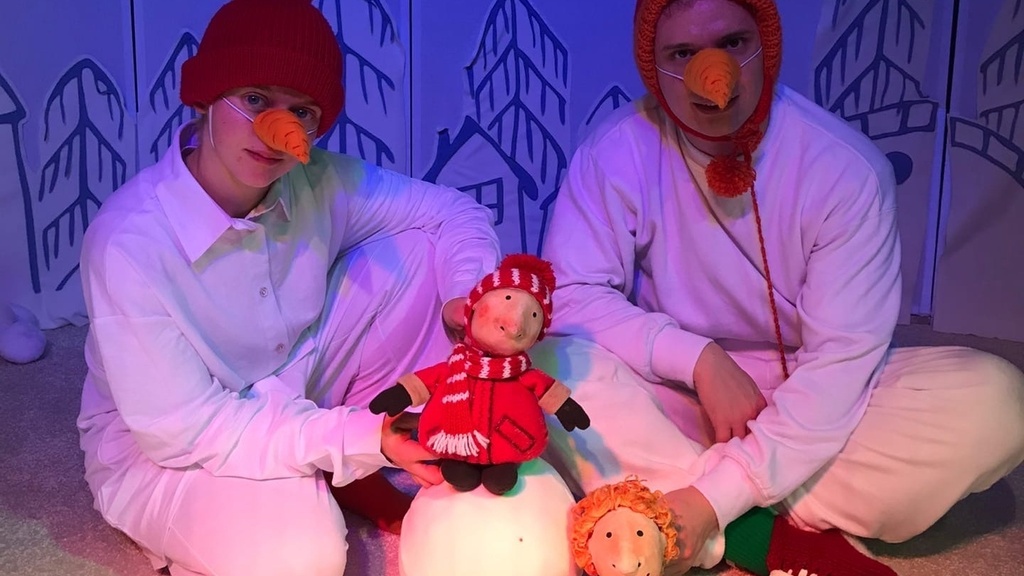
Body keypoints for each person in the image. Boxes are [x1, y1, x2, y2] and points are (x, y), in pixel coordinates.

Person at [537, 0, 1024, 574]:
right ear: (653, 66)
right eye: (683, 53)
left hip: (809, 394)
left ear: (766, 44)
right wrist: (697, 358)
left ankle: (689, 506)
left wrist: (721, 491)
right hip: (679, 394)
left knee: (997, 402)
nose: (713, 73)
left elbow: (840, 363)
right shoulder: (613, 152)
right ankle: (762, 531)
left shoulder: (844, 169)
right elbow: (571, 296)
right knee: (546, 365)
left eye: (733, 42)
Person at [75, 0, 500, 574]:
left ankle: (327, 464)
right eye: (254, 99)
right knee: (304, 559)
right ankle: (325, 467)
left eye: (300, 110)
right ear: (205, 98)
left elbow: (454, 212)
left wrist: (464, 298)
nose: (276, 131)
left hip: (291, 379)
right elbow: (186, 429)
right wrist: (357, 437)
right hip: (171, 451)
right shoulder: (129, 242)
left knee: (423, 249)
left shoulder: (316, 179)